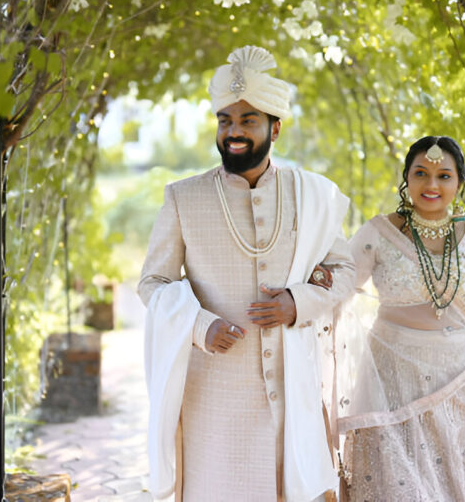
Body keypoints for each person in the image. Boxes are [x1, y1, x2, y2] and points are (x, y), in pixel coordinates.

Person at [138, 45, 356, 502]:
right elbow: (152, 282)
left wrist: (298, 302)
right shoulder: (184, 198)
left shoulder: (310, 194)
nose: (233, 132)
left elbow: (345, 268)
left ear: (275, 127)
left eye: (247, 121)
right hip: (215, 394)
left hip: (290, 384)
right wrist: (200, 326)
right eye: (225, 121)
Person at [331, 136, 465, 501]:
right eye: (420, 173)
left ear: (459, 183)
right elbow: (336, 288)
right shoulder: (379, 233)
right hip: (392, 384)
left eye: (443, 176)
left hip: (462, 386)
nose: (431, 185)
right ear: (406, 178)